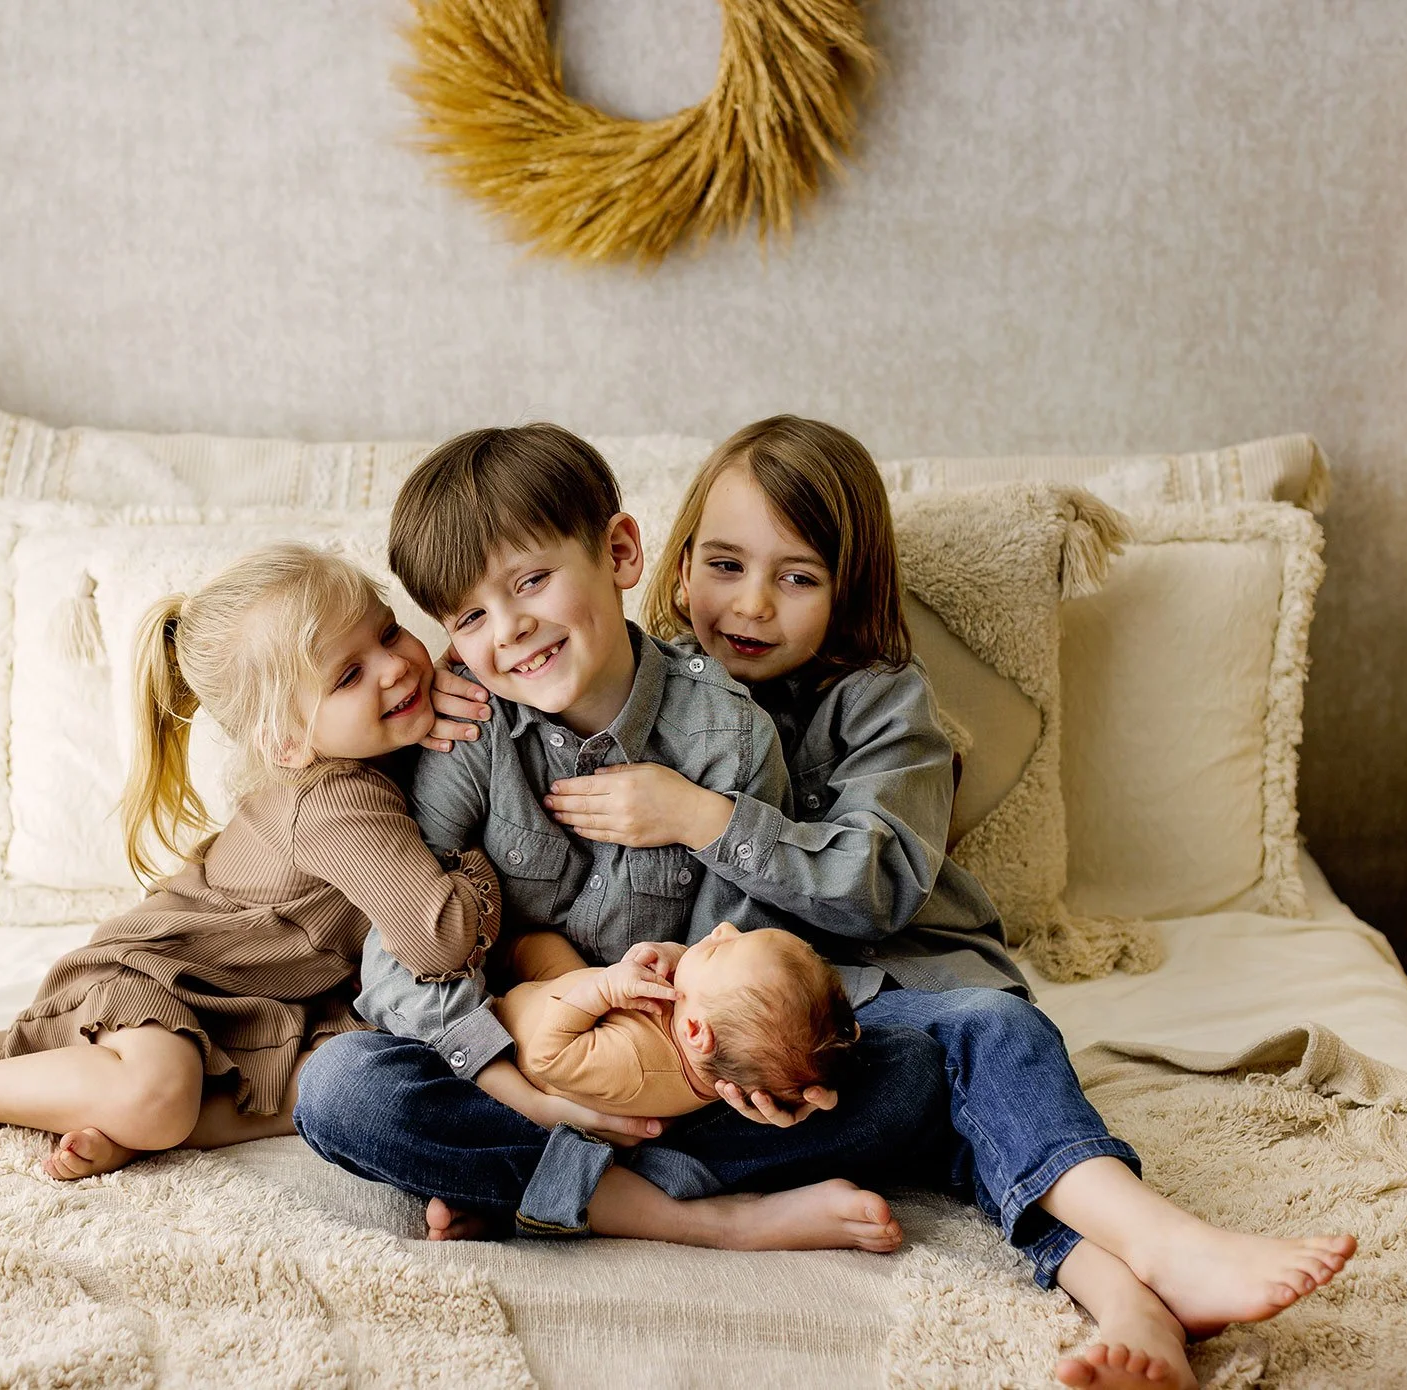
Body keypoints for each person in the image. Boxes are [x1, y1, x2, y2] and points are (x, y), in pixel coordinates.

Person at [532, 414, 1353, 1390]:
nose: (751, 602)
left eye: (796, 576)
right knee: (485, 1094)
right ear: (672, 569)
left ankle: (1149, 1269)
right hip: (771, 1057)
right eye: (723, 563)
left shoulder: (885, 704)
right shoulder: (648, 687)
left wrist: (707, 817)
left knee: (983, 1043)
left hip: (898, 993)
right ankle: (1141, 1289)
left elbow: (872, 890)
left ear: (849, 591)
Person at [295, 423, 950, 1254]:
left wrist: (714, 1063)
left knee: (911, 1078)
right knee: (341, 1089)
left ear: (621, 552)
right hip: (512, 1059)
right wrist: (521, 1084)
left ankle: (530, 1185)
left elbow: (733, 957)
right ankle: (685, 1211)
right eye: (468, 616)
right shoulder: (465, 727)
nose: (509, 631)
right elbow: (403, 949)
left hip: (669, 1078)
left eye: (531, 581)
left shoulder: (731, 738)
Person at [0, 543, 513, 1180]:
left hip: (272, 1007)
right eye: (348, 674)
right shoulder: (335, 800)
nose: (395, 666)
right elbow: (438, 939)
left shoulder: (377, 747)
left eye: (390, 632)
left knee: (362, 1072)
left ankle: (127, 1122)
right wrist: (476, 832)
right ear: (284, 742)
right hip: (165, 980)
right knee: (160, 1095)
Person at [492, 922, 858, 1118]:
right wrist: (672, 955)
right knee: (545, 942)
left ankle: (488, 958)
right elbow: (704, 992)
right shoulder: (717, 1054)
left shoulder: (634, 1067)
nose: (724, 928)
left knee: (523, 944)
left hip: (517, 1023)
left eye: (719, 949)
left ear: (695, 1031)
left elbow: (546, 1055)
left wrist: (602, 990)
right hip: (573, 991)